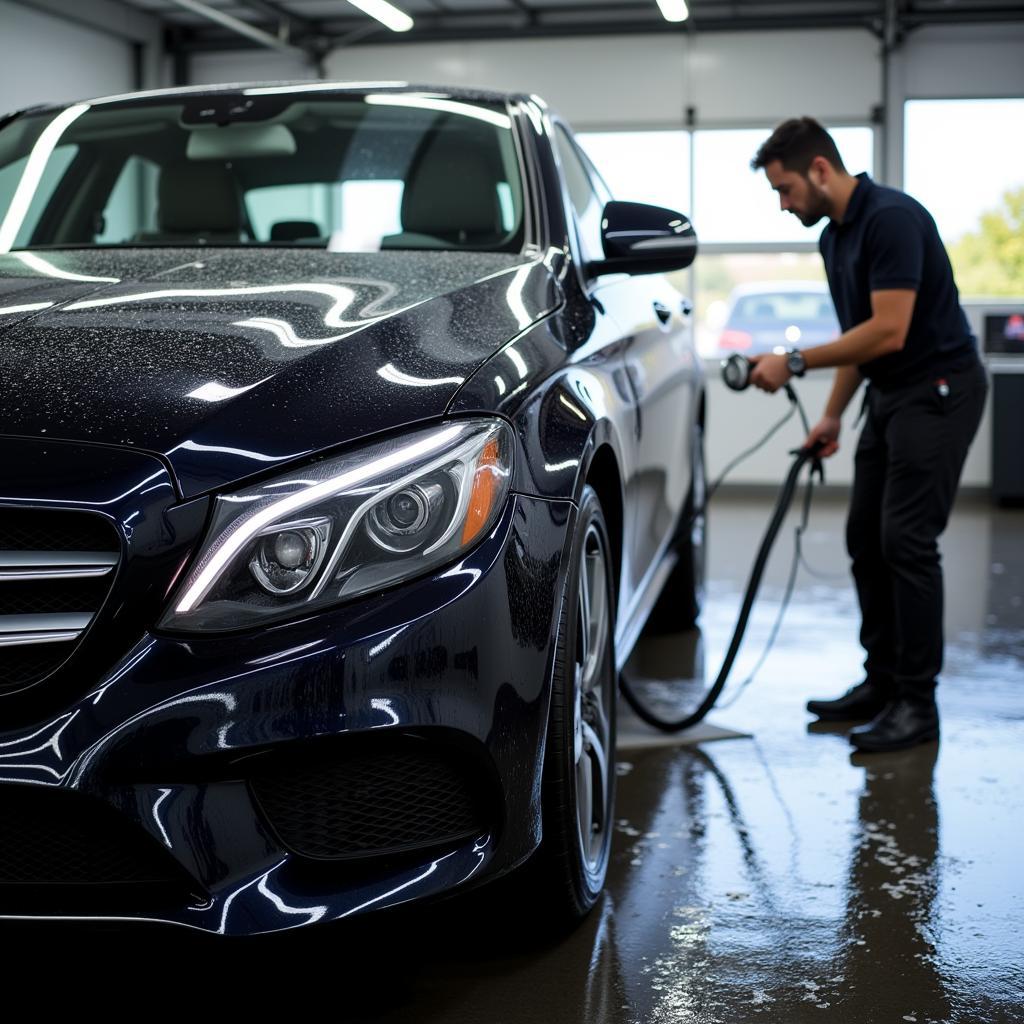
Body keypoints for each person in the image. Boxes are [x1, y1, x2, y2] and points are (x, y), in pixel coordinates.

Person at [747, 117, 987, 753]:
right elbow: (860, 338)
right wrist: (830, 415)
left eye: (787, 189)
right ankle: (881, 683)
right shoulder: (834, 240)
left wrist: (793, 361)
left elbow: (890, 331)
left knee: (906, 541)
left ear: (820, 169)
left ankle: (917, 704)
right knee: (864, 537)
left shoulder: (892, 220)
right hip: (890, 394)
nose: (783, 203)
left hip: (939, 389)